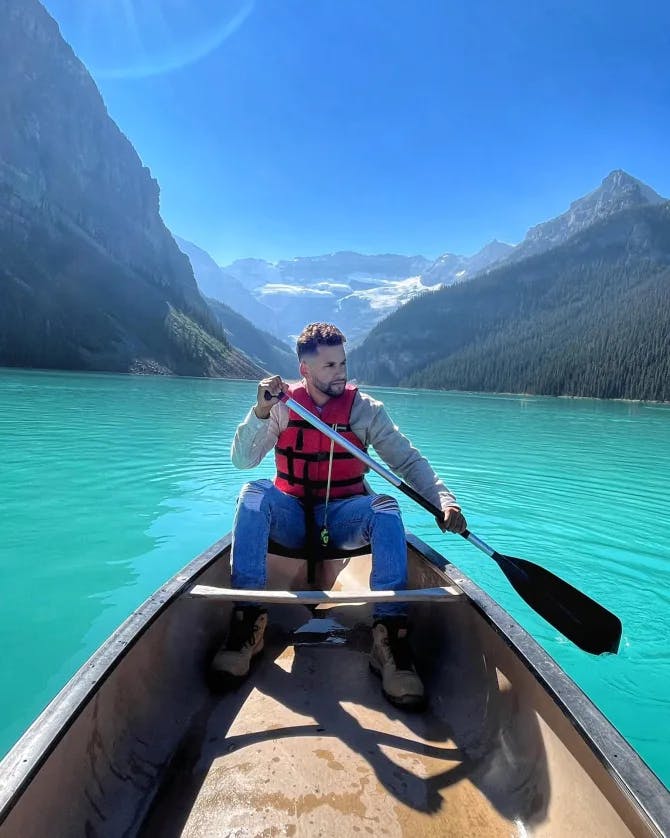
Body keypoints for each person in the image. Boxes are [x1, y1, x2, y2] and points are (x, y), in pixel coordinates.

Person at [210, 322, 467, 709]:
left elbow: (409, 462)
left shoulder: (365, 410)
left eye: (342, 363)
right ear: (305, 370)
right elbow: (242, 460)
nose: (340, 372)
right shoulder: (282, 407)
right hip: (292, 516)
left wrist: (445, 500)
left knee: (385, 508)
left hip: (344, 519)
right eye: (329, 366)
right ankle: (248, 621)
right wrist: (260, 411)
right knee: (252, 495)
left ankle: (390, 639)